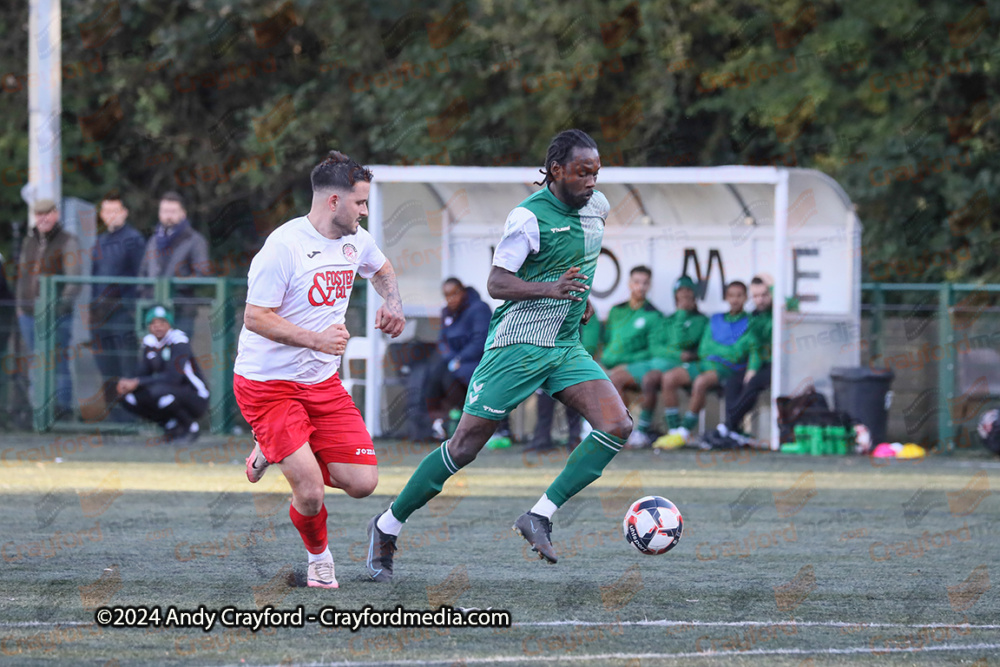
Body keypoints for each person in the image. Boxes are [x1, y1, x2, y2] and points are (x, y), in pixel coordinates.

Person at [365, 129, 633, 582]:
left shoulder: (599, 207)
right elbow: (496, 283)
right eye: (583, 172)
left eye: (596, 172)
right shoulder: (527, 218)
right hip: (516, 346)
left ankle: (540, 516)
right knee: (464, 446)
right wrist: (552, 289)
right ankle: (387, 525)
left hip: (564, 345)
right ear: (556, 170)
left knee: (617, 424)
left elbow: (580, 263)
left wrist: (579, 298)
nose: (591, 181)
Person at [234, 151, 405, 590]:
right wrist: (315, 340)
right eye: (360, 204)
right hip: (267, 385)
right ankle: (319, 561)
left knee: (363, 482)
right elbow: (255, 317)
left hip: (321, 383)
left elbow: (381, 268)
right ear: (333, 201)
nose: (365, 212)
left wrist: (392, 302)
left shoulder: (356, 239)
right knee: (309, 490)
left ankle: (274, 450)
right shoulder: (283, 247)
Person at [651, 280, 752, 447]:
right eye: (731, 295)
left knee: (701, 382)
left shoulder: (749, 322)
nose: (735, 300)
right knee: (669, 378)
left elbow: (737, 353)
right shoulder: (716, 319)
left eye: (739, 296)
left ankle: (684, 432)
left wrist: (718, 350)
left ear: (746, 298)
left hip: (727, 368)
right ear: (726, 297)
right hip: (705, 363)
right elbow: (704, 349)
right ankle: (674, 431)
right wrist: (724, 349)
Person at [15, 199, 82, 420]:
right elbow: (22, 276)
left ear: (56, 214)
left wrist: (58, 307)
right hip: (28, 315)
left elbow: (74, 281)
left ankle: (62, 412)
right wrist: (19, 306)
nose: (42, 218)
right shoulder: (30, 240)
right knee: (36, 362)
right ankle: (40, 411)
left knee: (58, 362)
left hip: (56, 316)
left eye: (47, 213)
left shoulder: (68, 241)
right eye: (38, 214)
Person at [625, 275, 708, 448]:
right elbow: (656, 347)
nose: (684, 297)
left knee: (664, 378)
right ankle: (640, 431)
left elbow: (681, 342)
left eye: (688, 293)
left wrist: (682, 314)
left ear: (694, 296)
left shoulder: (701, 320)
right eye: (680, 293)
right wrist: (677, 354)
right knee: (631, 377)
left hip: (685, 366)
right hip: (664, 362)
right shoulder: (668, 319)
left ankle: (675, 431)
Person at [117, 305, 209, 442]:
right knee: (128, 397)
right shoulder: (150, 343)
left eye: (162, 322)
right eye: (153, 323)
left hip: (195, 395)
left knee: (159, 392)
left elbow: (174, 377)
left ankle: (191, 427)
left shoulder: (179, 341)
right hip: (166, 390)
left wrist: (138, 382)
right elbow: (143, 373)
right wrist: (129, 383)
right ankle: (170, 426)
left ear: (169, 324)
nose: (157, 326)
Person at [416, 278, 492, 441]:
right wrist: (452, 359)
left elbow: (480, 341)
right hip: (453, 363)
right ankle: (434, 424)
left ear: (463, 291)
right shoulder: (446, 312)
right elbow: (442, 342)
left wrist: (459, 358)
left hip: (476, 362)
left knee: (450, 376)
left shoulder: (479, 309)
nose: (451, 299)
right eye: (446, 295)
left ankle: (462, 421)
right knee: (432, 373)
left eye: (454, 294)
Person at [90, 192, 146, 407]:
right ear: (102, 215)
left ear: (124, 213)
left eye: (116, 211)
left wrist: (130, 309)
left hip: (123, 315)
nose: (111, 215)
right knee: (105, 367)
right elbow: (94, 278)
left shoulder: (134, 240)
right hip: (100, 316)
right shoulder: (100, 241)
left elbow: (141, 276)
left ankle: (129, 416)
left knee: (127, 366)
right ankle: (113, 417)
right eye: (107, 211)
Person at [138, 192, 209, 339]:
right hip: (153, 309)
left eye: (173, 211)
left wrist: (177, 285)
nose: (168, 216)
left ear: (183, 213)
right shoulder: (153, 240)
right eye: (164, 211)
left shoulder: (195, 240)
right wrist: (144, 295)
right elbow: (144, 271)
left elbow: (202, 273)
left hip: (182, 310)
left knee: (178, 356)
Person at [526, 316, 599, 452]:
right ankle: (541, 439)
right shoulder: (550, 309)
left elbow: (589, 345)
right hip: (549, 363)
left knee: (573, 397)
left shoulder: (585, 309)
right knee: (544, 397)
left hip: (574, 362)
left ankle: (575, 439)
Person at [717, 275, 773, 442]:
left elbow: (790, 303)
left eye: (764, 295)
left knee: (753, 382)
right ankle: (733, 429)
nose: (760, 300)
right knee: (733, 382)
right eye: (756, 296)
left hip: (780, 365)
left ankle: (728, 425)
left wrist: (752, 370)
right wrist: (752, 368)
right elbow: (754, 346)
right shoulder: (754, 318)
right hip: (761, 364)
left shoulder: (780, 311)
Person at [603, 266, 661, 398]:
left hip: (633, 367)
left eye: (645, 283)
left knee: (615, 381)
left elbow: (653, 350)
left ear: (650, 285)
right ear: (629, 283)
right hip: (607, 365)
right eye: (636, 282)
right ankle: (587, 419)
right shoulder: (616, 310)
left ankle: (620, 419)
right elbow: (606, 339)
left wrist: (627, 364)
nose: (640, 287)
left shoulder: (654, 315)